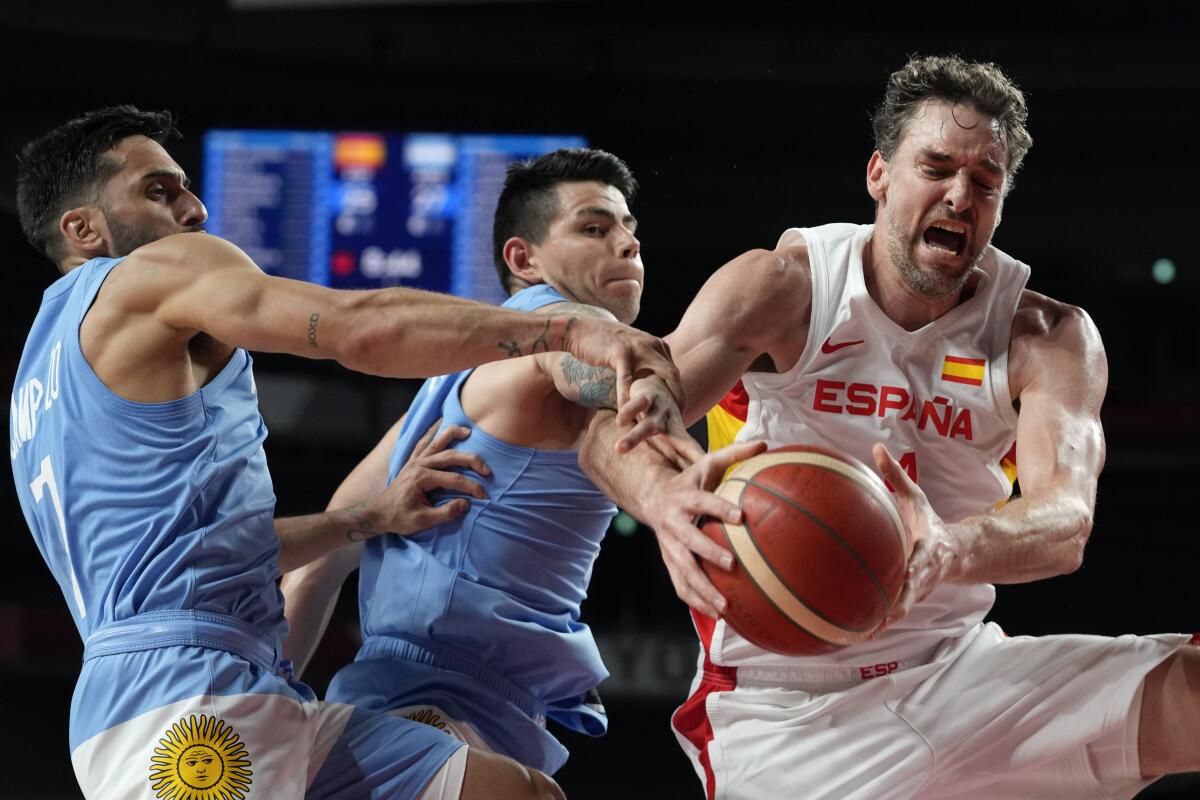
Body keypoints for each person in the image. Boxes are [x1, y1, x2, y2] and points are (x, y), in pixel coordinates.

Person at [9, 106, 683, 799]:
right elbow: (358, 329)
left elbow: (201, 555)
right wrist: (563, 330)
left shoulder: (41, 380)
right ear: (83, 230)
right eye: (159, 190)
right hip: (189, 706)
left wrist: (365, 519)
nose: (195, 207)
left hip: (195, 684)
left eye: (185, 187)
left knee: (515, 791)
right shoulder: (153, 274)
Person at [578, 55, 1200, 799]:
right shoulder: (787, 288)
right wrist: (662, 501)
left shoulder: (1045, 336)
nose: (960, 195)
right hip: (788, 707)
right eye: (935, 167)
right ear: (879, 175)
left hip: (959, 673)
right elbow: (605, 420)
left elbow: (1066, 520)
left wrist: (948, 548)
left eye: (985, 180)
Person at [281, 147, 697, 776]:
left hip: (433, 700)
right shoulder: (558, 327)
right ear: (523, 260)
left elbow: (317, 565)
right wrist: (636, 382)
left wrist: (260, 718)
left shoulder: (447, 390)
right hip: (429, 705)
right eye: (594, 227)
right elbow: (581, 361)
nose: (626, 243)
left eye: (628, 227)